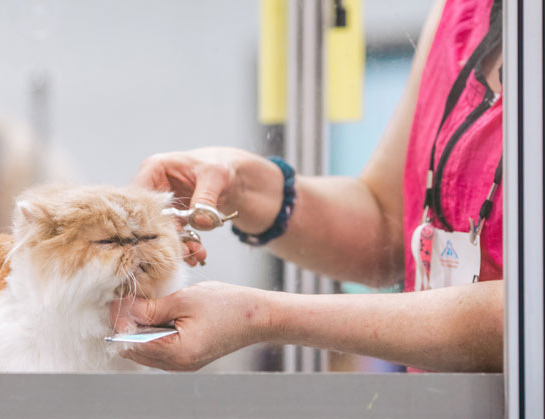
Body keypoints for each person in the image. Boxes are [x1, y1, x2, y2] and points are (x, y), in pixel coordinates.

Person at [111, 0, 504, 373]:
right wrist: (241, 184)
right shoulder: (459, 12)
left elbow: (524, 310)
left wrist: (264, 317)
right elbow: (387, 225)